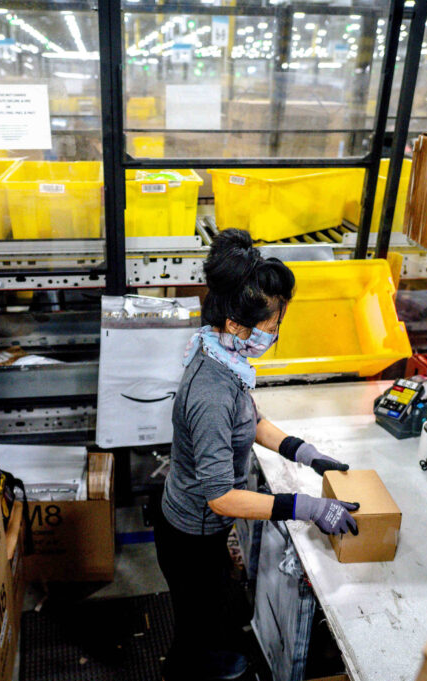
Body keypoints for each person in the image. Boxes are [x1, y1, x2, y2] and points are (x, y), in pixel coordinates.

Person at [154, 229, 360, 681]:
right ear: (235, 324)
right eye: (271, 327)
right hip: (191, 535)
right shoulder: (210, 390)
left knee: (216, 614)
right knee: (201, 631)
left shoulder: (221, 352)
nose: (276, 335)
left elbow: (251, 420)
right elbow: (221, 498)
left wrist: (304, 454)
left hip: (202, 531)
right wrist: (304, 507)